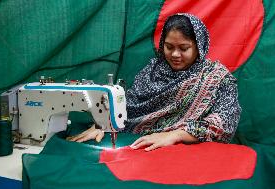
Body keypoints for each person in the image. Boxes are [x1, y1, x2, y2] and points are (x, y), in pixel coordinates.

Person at [69, 13, 241, 151]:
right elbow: (128, 106)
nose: (174, 54)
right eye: (169, 46)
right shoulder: (152, 71)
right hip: (140, 147)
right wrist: (106, 122)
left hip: (191, 153)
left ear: (200, 47)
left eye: (184, 48)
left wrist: (176, 135)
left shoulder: (217, 78)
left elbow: (225, 121)